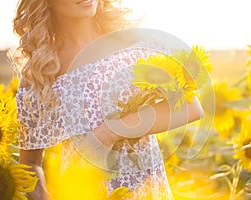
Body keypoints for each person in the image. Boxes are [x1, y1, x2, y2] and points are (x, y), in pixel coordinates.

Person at [12, 0, 204, 199]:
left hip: (145, 189)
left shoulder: (132, 42)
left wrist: (110, 131)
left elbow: (191, 106)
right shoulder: (41, 72)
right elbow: (30, 165)